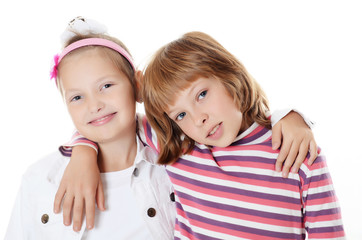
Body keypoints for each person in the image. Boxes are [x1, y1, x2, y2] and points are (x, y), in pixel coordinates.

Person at [140, 31, 345, 239]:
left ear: (230, 75)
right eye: (181, 115)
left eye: (201, 94)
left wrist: (294, 117)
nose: (197, 119)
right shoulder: (179, 149)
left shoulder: (297, 152)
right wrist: (139, 88)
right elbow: (117, 114)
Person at [5, 17, 175, 240]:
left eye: (106, 86)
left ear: (136, 84)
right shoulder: (41, 178)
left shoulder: (178, 157)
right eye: (77, 97)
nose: (94, 106)